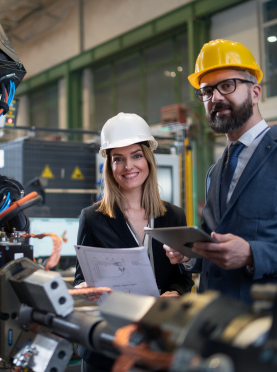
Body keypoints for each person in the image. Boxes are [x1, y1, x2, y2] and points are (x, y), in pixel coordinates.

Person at [165, 38, 277, 304]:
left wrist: (252, 254)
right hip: (211, 321)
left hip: (267, 325)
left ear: (255, 92)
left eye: (227, 85)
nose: (216, 97)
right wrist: (190, 256)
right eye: (207, 91)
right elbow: (217, 249)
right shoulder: (215, 172)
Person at [73, 112, 194, 372]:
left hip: (156, 341)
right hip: (106, 343)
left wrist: (176, 293)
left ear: (148, 160)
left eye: (136, 156)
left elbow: (182, 276)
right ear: (109, 166)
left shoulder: (172, 216)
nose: (129, 167)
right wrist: (85, 288)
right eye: (119, 159)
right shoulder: (92, 218)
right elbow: (80, 278)